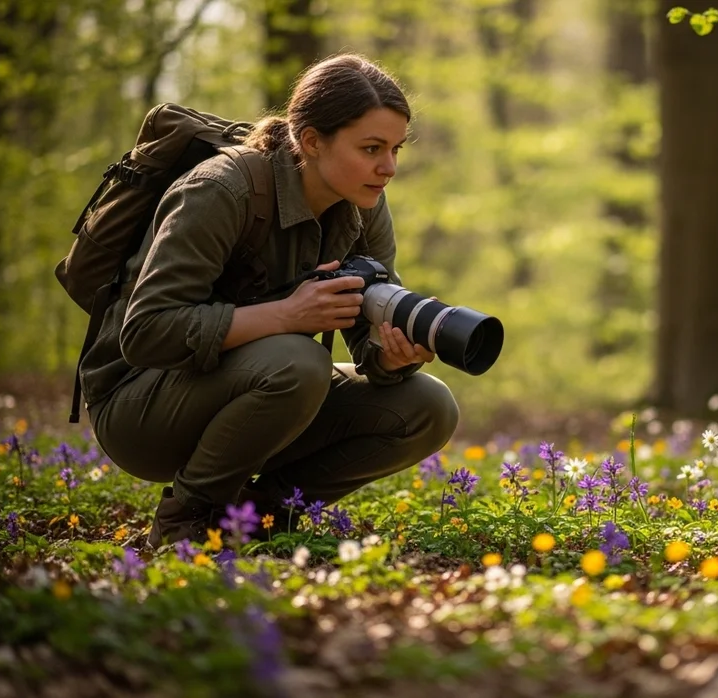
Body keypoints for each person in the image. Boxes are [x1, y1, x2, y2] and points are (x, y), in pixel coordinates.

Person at [76, 53, 460, 549]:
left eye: (395, 149)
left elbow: (369, 337)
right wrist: (286, 314)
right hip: (139, 407)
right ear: (312, 141)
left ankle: (262, 516)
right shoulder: (220, 189)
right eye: (371, 148)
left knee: (428, 406)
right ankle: (186, 519)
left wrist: (390, 356)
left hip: (260, 388)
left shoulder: (362, 203)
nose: (388, 167)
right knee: (299, 362)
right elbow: (146, 332)